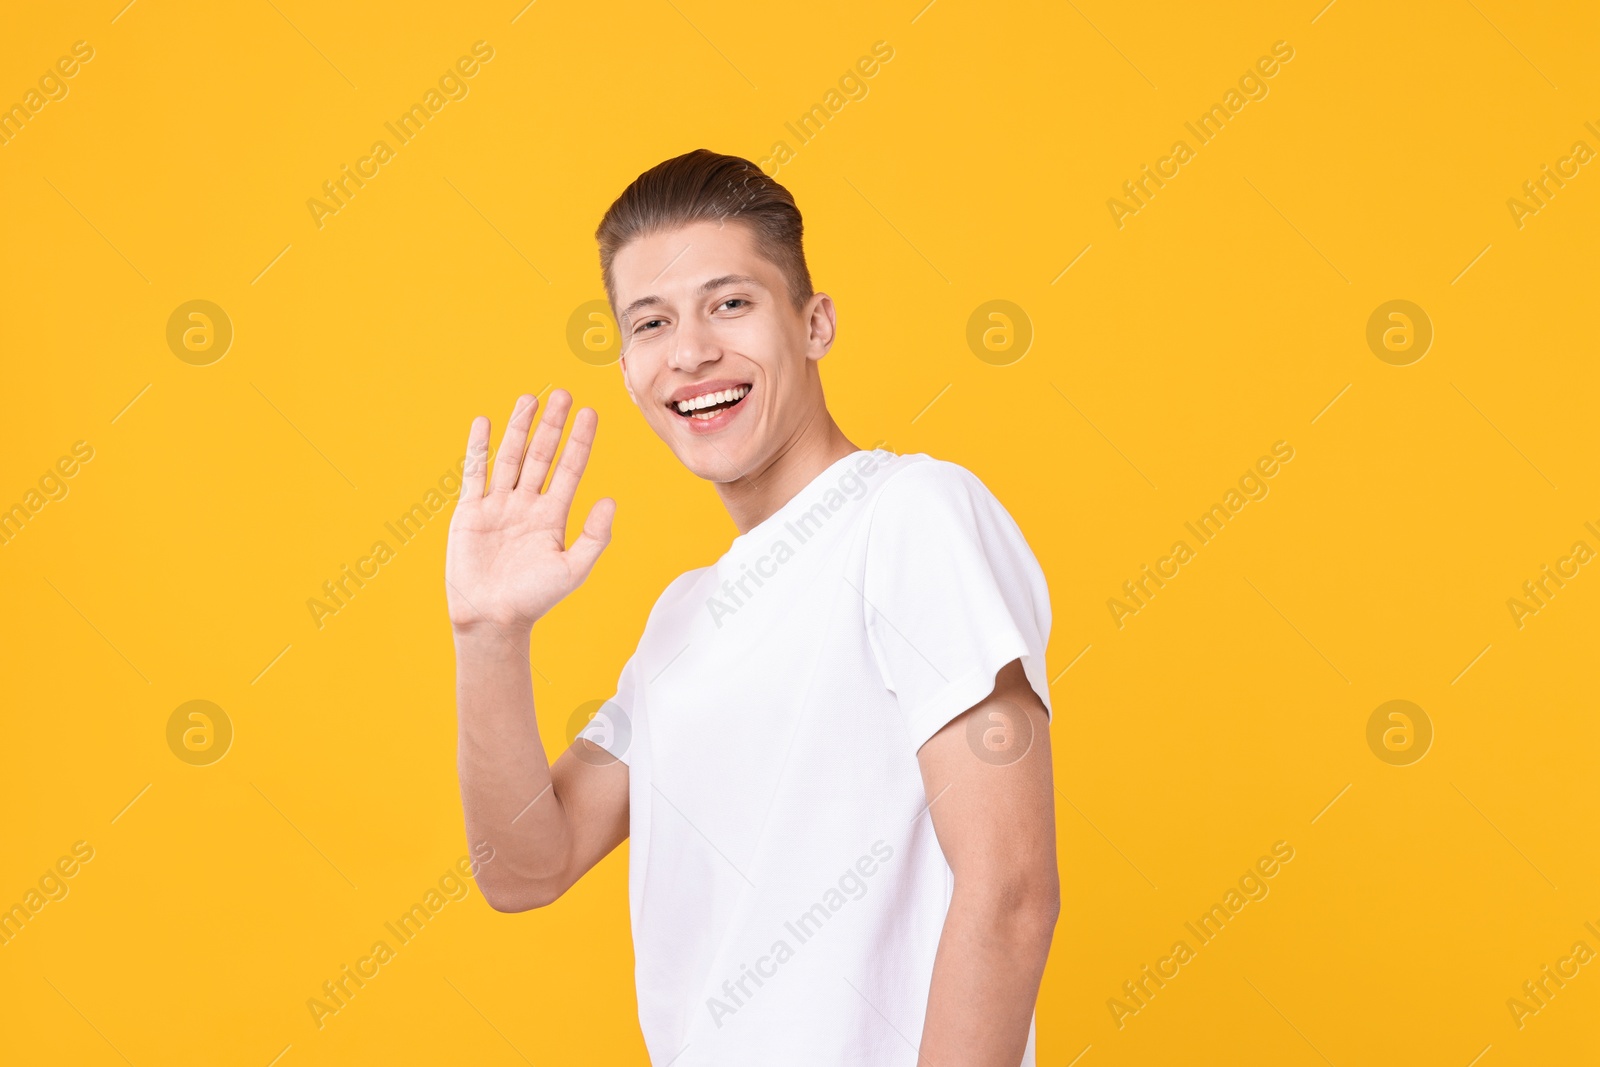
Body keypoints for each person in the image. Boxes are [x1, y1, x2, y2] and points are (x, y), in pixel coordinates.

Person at [447, 149, 1059, 1066]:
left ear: (813, 323)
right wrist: (488, 637)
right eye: (651, 321)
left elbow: (1011, 888)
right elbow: (528, 867)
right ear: (627, 367)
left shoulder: (908, 515)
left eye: (730, 303)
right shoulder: (683, 619)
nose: (691, 350)